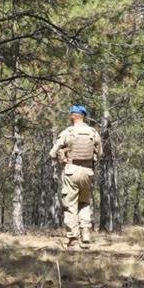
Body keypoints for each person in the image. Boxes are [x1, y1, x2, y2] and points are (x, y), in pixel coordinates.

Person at [49, 105, 102, 247]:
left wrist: (62, 156)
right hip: (87, 171)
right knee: (84, 203)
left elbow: (52, 153)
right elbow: (99, 153)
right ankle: (85, 233)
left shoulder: (68, 132)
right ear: (83, 116)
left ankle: (73, 239)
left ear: (73, 116)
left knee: (70, 204)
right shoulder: (93, 132)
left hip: (71, 170)